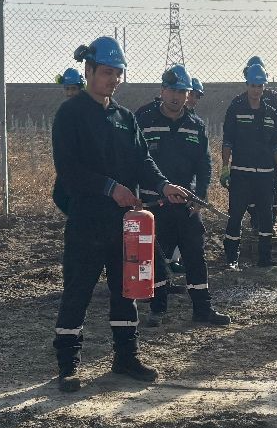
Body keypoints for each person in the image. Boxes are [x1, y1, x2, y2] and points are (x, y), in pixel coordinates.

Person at [51, 36, 191, 391]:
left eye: (118, 73)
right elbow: (69, 170)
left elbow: (143, 161)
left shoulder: (124, 118)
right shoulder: (70, 114)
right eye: (107, 72)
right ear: (89, 71)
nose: (113, 79)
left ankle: (125, 357)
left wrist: (163, 186)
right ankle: (68, 364)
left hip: (123, 224)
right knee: (78, 291)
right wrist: (111, 188)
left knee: (126, 291)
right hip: (86, 220)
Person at [134, 65, 230, 328]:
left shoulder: (195, 125)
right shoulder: (143, 119)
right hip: (154, 202)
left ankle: (203, 309)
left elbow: (204, 165)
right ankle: (158, 309)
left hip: (186, 204)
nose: (177, 97)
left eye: (183, 92)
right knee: (155, 258)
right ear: (162, 90)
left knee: (195, 255)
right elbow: (135, 160)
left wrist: (199, 196)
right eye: (173, 90)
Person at [220, 61, 277, 269]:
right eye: (253, 86)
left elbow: (276, 145)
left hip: (266, 175)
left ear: (264, 87)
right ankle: (231, 259)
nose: (256, 90)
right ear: (247, 85)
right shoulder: (236, 109)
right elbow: (228, 140)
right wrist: (225, 166)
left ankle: (264, 259)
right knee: (236, 216)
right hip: (241, 173)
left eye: (260, 86)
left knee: (266, 217)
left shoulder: (271, 114)